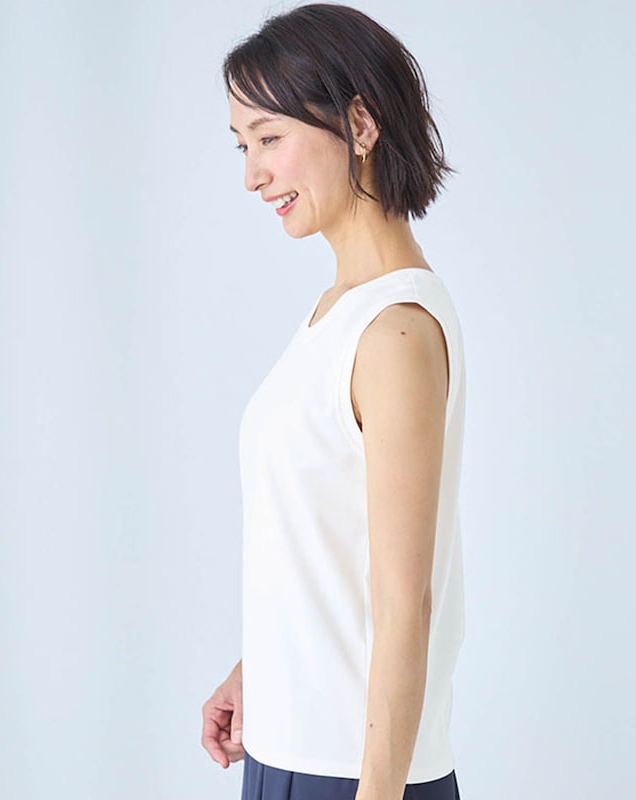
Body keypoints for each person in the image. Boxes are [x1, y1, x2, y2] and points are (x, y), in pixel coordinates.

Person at [201, 4, 467, 799]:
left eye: (269, 138)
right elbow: (326, 545)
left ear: (358, 122)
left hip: (355, 775)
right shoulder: (337, 313)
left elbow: (404, 604)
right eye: (243, 146)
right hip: (288, 753)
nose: (252, 175)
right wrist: (260, 671)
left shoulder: (394, 331)